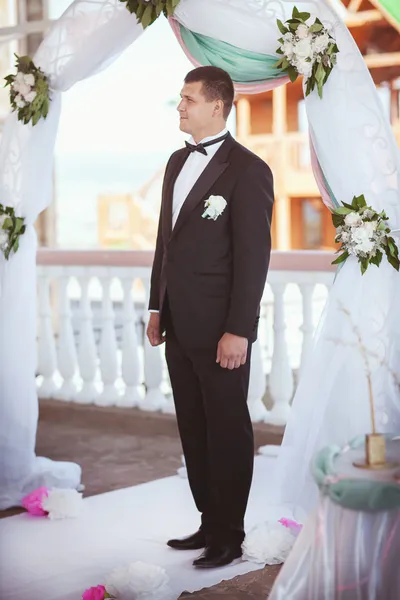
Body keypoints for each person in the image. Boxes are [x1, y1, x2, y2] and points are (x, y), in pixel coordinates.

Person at [147, 66, 274, 569]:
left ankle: (229, 534)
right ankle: (207, 521)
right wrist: (158, 306)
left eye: (188, 99)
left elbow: (253, 259)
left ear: (217, 106)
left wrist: (238, 329)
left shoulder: (248, 170)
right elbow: (166, 242)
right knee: (193, 426)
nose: (179, 107)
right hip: (178, 322)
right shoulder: (177, 162)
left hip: (223, 330)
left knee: (227, 429)